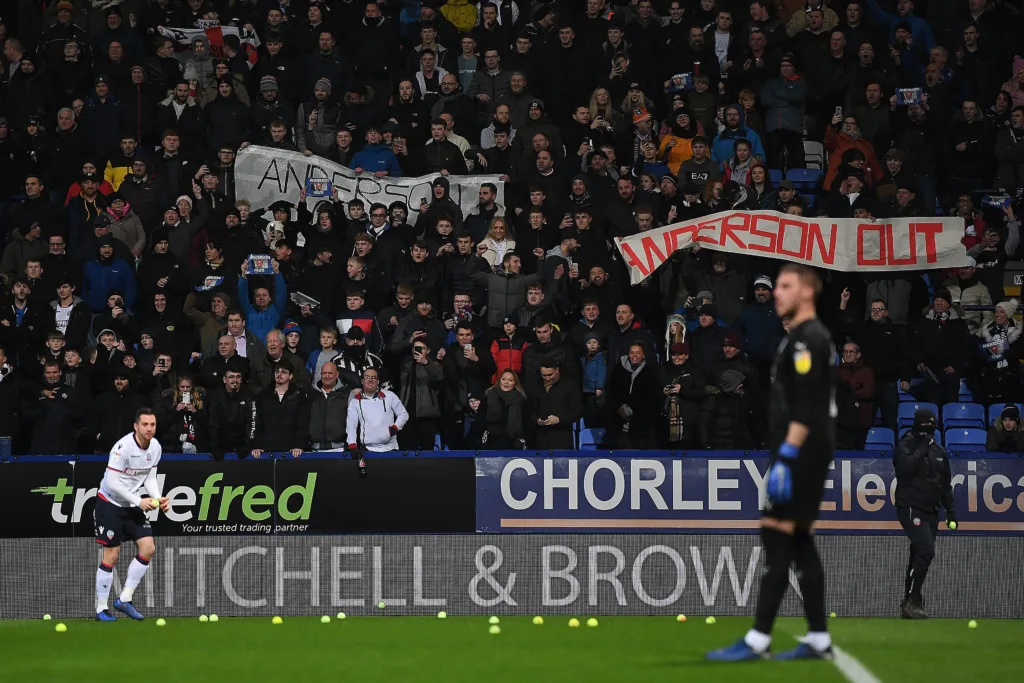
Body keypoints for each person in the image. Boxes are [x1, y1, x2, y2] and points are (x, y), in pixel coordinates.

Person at [707, 263, 836, 661]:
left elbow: (808, 406)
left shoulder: (807, 340)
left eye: (785, 286)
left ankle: (759, 640)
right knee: (797, 541)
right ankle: (817, 639)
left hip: (800, 454)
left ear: (807, 293)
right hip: (803, 452)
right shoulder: (797, 338)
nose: (777, 293)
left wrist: (787, 458)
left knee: (777, 537)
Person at [93, 408, 168, 622]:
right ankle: (101, 609)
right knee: (112, 555)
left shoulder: (155, 447)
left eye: (152, 425)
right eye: (145, 424)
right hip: (110, 502)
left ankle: (124, 599)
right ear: (136, 426)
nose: (149, 429)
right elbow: (112, 483)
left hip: (133, 502)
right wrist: (139, 501)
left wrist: (157, 497)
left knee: (148, 548)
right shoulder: (122, 448)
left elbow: (150, 477)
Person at [893, 408, 955, 619]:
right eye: (925, 427)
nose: (928, 432)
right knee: (926, 550)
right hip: (910, 506)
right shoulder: (906, 444)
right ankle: (913, 599)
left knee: (917, 554)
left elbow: (945, 484)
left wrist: (951, 511)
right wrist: (923, 447)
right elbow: (905, 468)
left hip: (932, 509)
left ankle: (910, 601)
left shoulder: (939, 451)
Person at [346, 367, 409, 467]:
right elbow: (351, 425)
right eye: (367, 377)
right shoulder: (355, 401)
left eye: (373, 377)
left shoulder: (390, 396)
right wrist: (352, 445)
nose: (370, 380)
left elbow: (403, 414)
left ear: (378, 381)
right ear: (362, 381)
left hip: (391, 449)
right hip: (367, 451)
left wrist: (395, 428)